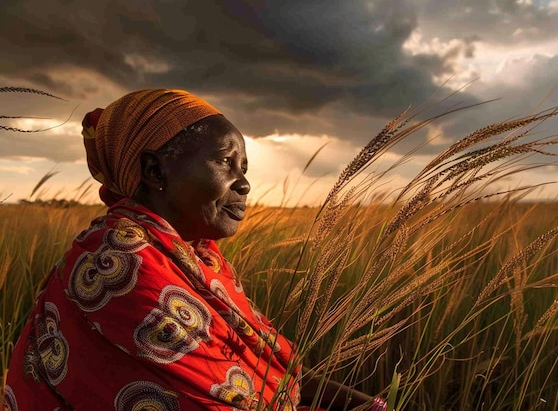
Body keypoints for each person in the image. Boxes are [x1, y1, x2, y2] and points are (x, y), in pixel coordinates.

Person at [3, 89, 386, 411]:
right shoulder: (120, 263)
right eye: (224, 161)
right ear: (155, 171)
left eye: (244, 167)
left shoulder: (197, 257)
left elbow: (269, 375)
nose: (244, 184)